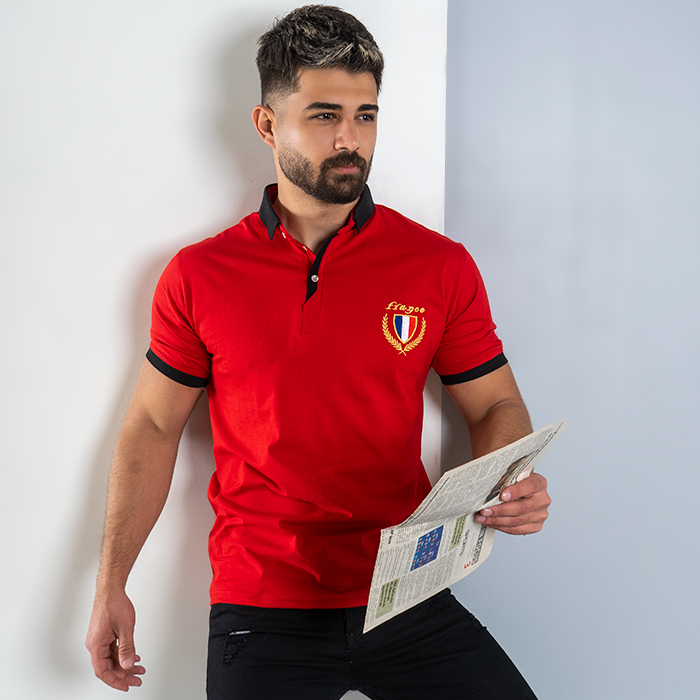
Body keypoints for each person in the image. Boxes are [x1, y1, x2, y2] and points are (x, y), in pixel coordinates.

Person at [86, 5, 551, 698]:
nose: (350, 139)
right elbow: (153, 426)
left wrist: (508, 480)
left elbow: (494, 403)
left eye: (366, 116)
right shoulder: (199, 275)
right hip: (262, 608)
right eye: (325, 115)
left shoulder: (437, 265)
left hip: (405, 590)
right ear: (267, 124)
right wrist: (111, 584)